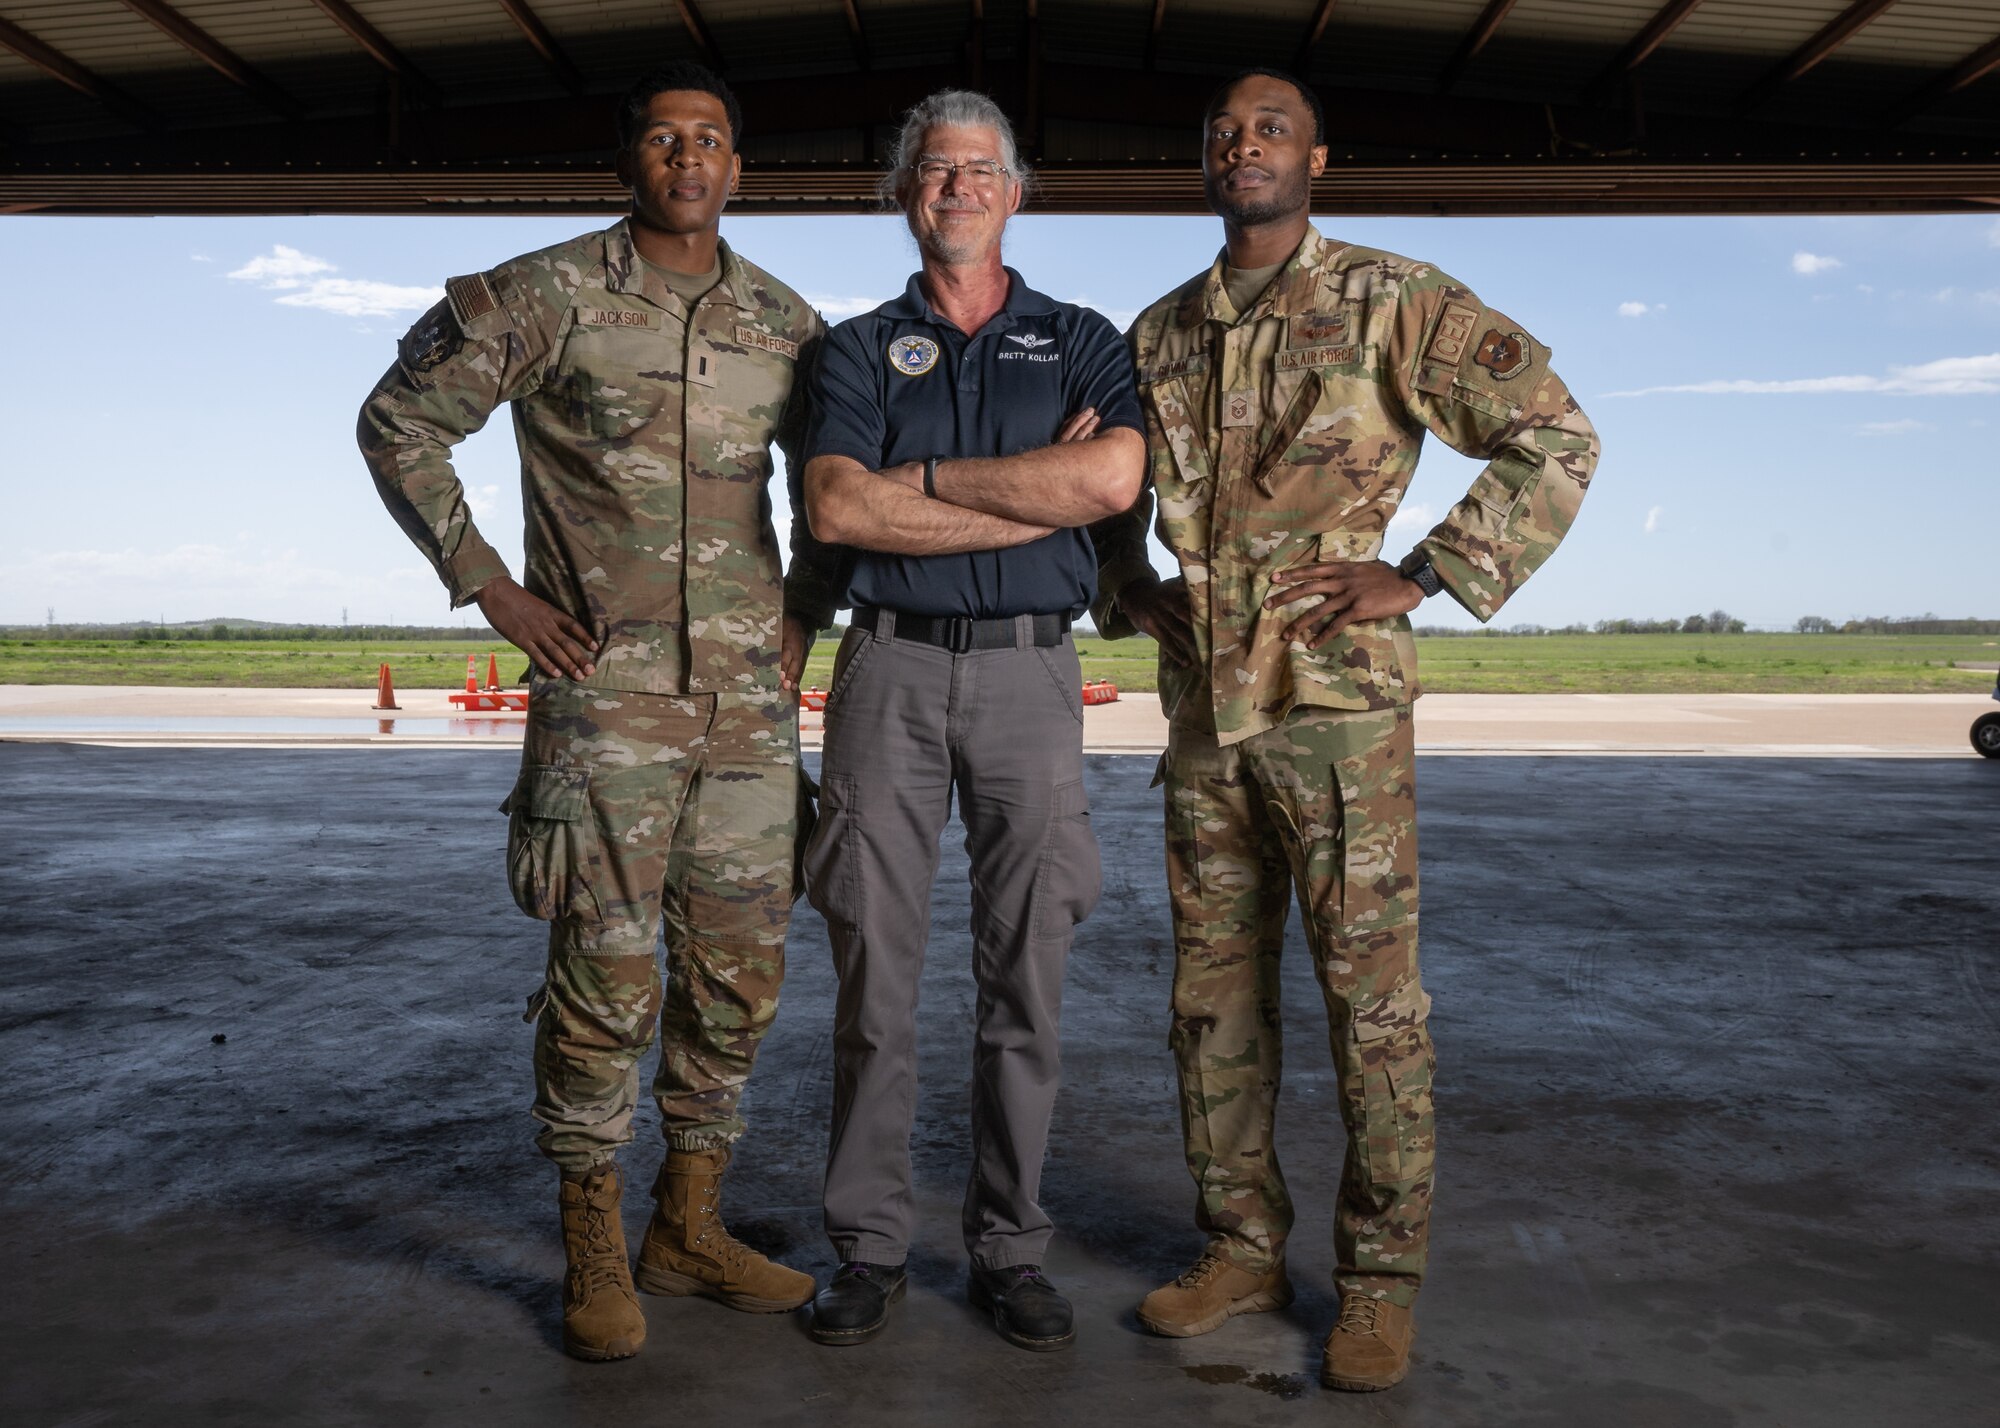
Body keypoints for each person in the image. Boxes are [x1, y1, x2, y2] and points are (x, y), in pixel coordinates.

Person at [1092, 67, 1599, 1392]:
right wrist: (1117, 579)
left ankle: (1378, 1283)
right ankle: (1240, 1246)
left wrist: (1421, 573)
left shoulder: (1394, 299)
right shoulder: (1158, 331)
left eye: (1271, 129)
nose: (1241, 144)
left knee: (1371, 1010)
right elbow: (1104, 480)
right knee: (1213, 1006)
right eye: (1223, 129)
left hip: (1336, 709)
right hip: (1204, 713)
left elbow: (1554, 439)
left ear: (1319, 159)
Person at [357, 61, 840, 1364]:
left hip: (747, 710)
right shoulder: (546, 294)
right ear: (630, 159)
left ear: (740, 170)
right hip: (604, 703)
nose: (690, 157)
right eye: (665, 137)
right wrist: (491, 588)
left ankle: (689, 1224)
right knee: (604, 978)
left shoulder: (788, 323)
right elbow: (401, 422)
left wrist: (804, 616)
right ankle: (591, 1243)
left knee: (740, 975)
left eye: (714, 140)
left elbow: (842, 488)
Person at [794, 89, 1145, 1353]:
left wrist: (924, 486)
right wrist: (1032, 501)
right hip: (883, 671)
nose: (958, 185)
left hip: (1029, 679)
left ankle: (1007, 1248)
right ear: (905, 192)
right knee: (874, 979)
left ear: (1016, 192)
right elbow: (837, 511)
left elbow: (1110, 481)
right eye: (935, 168)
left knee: (1025, 979)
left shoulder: (1084, 338)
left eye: (981, 168)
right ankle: (870, 1249)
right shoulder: (850, 349)